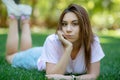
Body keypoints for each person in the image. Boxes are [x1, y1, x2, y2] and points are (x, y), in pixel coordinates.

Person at [3, 0, 105, 80]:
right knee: (10, 56)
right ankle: (13, 17)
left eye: (75, 23)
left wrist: (70, 78)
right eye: (64, 24)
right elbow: (52, 76)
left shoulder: (93, 42)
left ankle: (25, 17)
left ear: (84, 25)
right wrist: (68, 48)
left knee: (24, 51)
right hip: (37, 57)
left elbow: (93, 75)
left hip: (49, 54)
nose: (68, 29)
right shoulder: (52, 40)